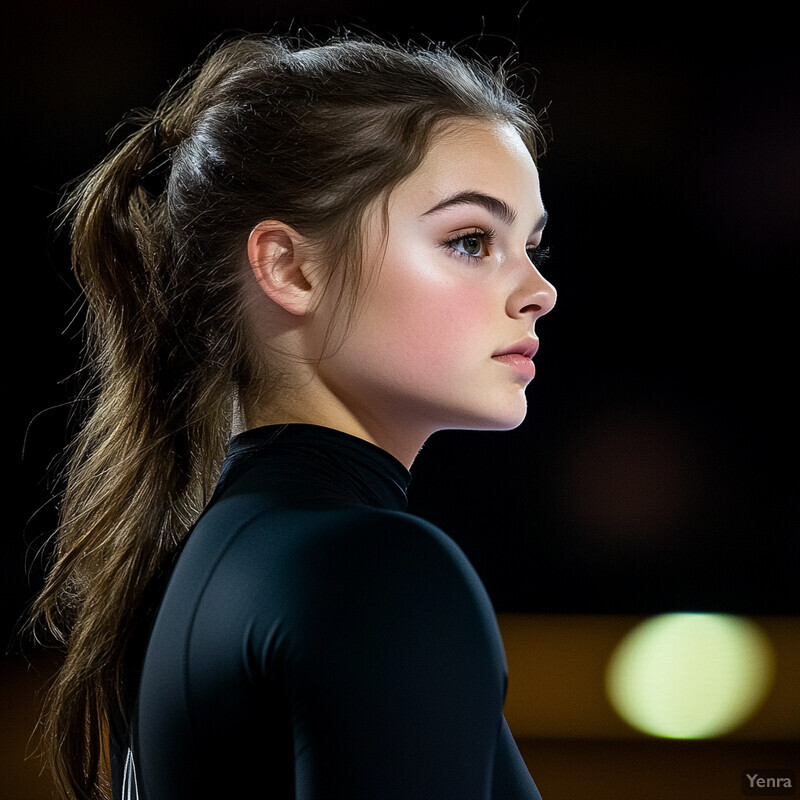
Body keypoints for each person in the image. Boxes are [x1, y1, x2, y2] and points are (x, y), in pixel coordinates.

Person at [32, 31, 557, 800]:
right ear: (290, 267)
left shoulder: (203, 568)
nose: (539, 289)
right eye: (472, 240)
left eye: (533, 245)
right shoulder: (374, 569)